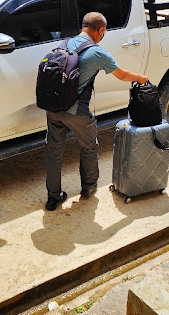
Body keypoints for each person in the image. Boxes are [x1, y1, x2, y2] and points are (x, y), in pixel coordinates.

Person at [44, 12, 148, 211]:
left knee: (54, 151)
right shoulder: (97, 52)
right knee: (89, 146)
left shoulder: (63, 45)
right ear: (100, 30)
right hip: (77, 112)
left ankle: (53, 196)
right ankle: (88, 188)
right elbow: (122, 75)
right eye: (104, 32)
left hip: (54, 108)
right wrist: (141, 77)